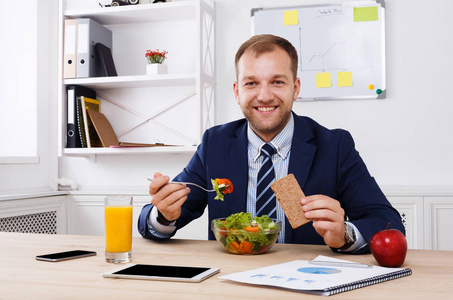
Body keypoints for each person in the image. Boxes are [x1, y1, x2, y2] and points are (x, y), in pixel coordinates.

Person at [138, 34, 404, 254]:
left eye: (277, 82)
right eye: (251, 83)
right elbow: (162, 218)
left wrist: (345, 234)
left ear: (295, 88)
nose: (264, 96)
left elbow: (387, 222)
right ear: (237, 91)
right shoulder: (215, 144)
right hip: (230, 284)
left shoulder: (335, 146)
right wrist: (163, 214)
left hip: (307, 282)